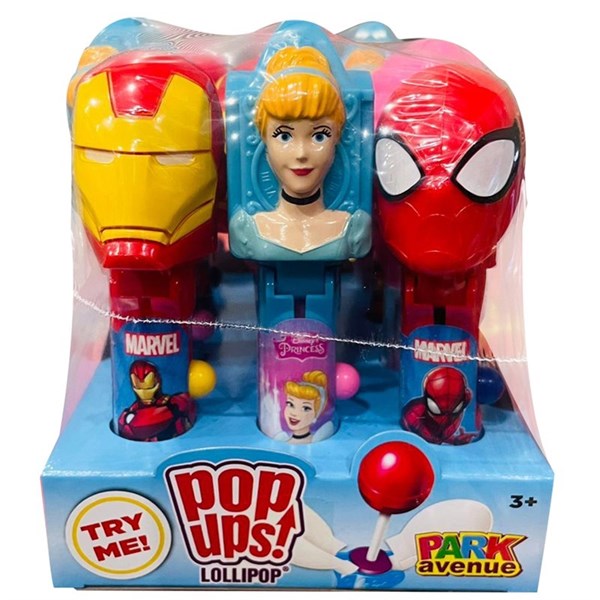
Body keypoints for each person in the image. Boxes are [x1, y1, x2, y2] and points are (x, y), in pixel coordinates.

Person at [229, 46, 370, 260]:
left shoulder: (355, 228)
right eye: (284, 136)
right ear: (264, 139)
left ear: (337, 138)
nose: (301, 153)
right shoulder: (245, 229)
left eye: (319, 136)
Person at [284, 371, 328, 444]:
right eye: (290, 404)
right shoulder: (282, 438)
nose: (294, 413)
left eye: (305, 408)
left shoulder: (316, 440)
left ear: (316, 414)